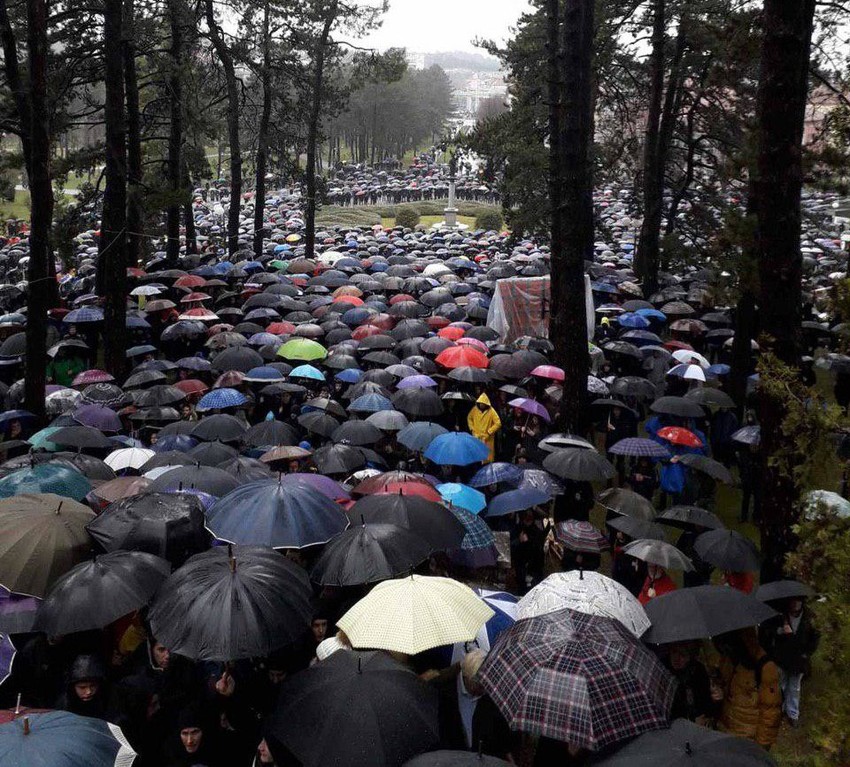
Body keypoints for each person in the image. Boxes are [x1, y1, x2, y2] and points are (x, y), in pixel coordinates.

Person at [713, 629, 782, 750]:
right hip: (725, 729)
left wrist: (762, 747)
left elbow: (771, 710)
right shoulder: (729, 658)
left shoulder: (765, 666)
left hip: (748, 738)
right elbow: (725, 683)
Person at [760, 597, 820, 727]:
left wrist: (806, 653)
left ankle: (792, 714)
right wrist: (781, 631)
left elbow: (815, 638)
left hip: (799, 660)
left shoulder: (809, 619)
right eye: (793, 601)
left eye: (798, 601)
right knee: (781, 684)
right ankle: (779, 709)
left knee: (794, 687)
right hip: (782, 657)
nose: (795, 604)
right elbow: (770, 632)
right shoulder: (781, 616)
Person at [467, 393, 501, 463]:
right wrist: (472, 429)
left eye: (483, 403)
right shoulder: (475, 409)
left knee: (486, 460)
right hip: (477, 437)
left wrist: (489, 432)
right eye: (480, 403)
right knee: (476, 460)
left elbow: (498, 423)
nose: (481, 405)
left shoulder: (491, 411)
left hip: (487, 439)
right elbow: (469, 418)